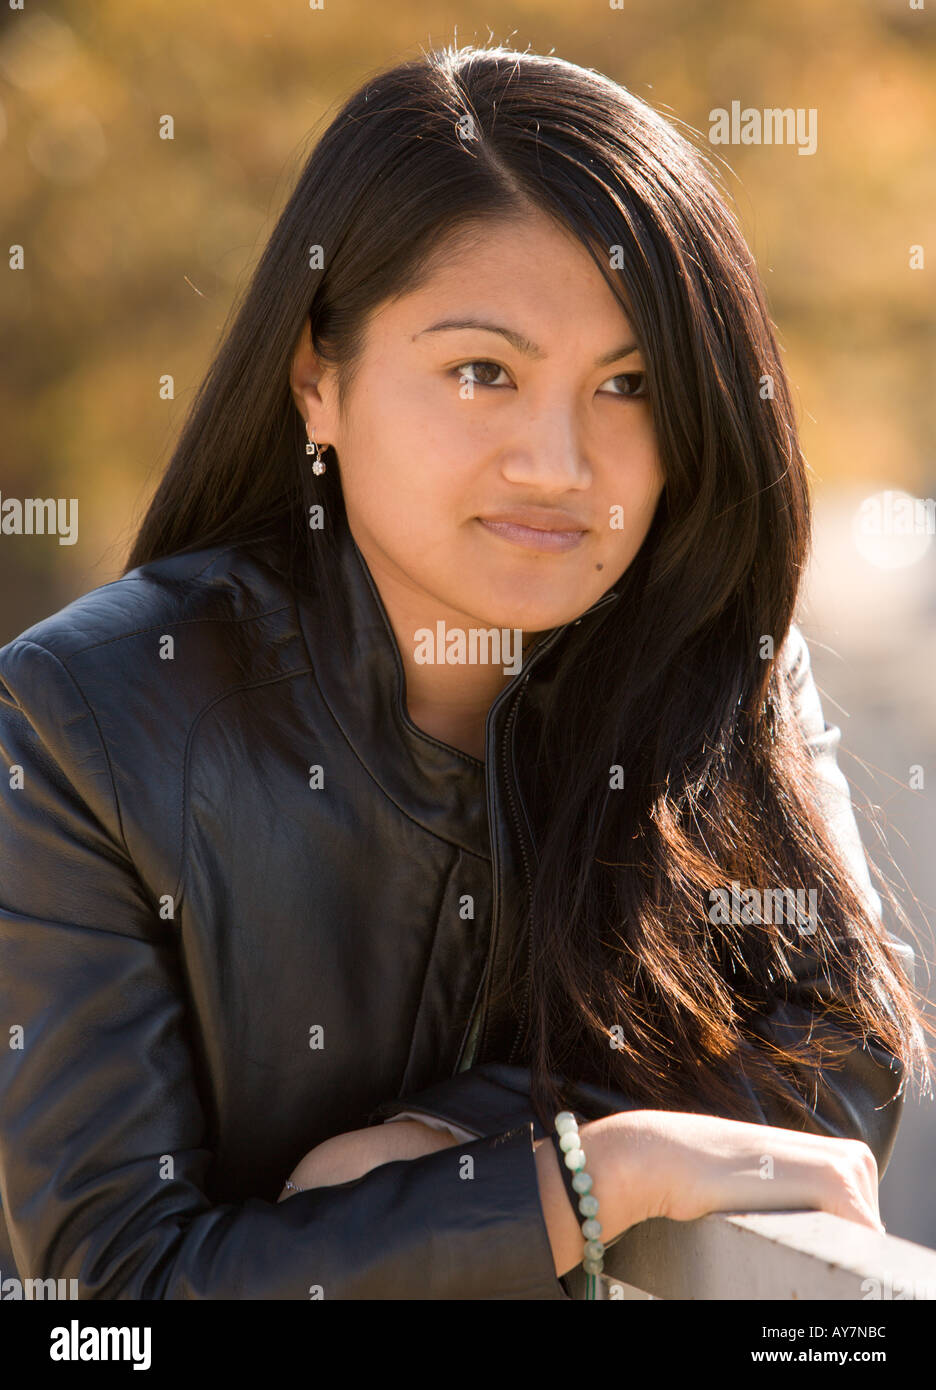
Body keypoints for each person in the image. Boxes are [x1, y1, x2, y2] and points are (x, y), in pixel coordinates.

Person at [0, 43, 929, 1301]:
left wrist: (460, 1145)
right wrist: (596, 1179)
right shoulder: (77, 724)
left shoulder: (726, 663)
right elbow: (113, 1298)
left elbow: (840, 1038)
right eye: (483, 370)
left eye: (630, 384)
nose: (559, 461)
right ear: (316, 377)